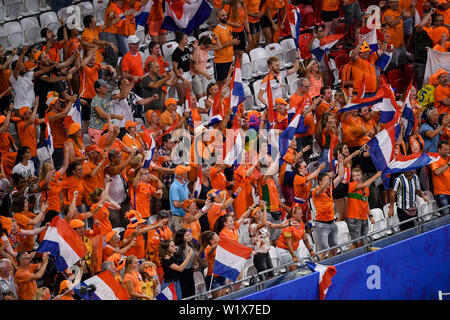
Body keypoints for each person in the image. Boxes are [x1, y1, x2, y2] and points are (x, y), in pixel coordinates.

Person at [312, 156, 344, 261]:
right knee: (323, 250)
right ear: (320, 181)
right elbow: (321, 188)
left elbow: (340, 176)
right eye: (325, 180)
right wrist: (328, 177)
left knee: (334, 248)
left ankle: (331, 264)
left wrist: (340, 162)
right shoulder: (316, 191)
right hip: (322, 224)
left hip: (332, 221)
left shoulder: (329, 189)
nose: (328, 181)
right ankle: (318, 269)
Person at [347, 169, 382, 250]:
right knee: (356, 243)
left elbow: (366, 202)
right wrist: (376, 176)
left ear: (362, 176)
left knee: (364, 241)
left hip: (364, 218)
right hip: (354, 218)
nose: (356, 177)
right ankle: (351, 259)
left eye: (358, 175)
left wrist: (370, 216)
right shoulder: (352, 185)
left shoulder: (366, 188)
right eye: (354, 176)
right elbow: (364, 184)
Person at [211, 10, 240, 86]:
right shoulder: (216, 31)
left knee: (229, 82)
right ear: (217, 18)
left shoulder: (229, 27)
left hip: (230, 59)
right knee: (220, 84)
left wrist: (234, 42)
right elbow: (215, 47)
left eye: (226, 15)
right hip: (220, 61)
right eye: (222, 15)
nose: (225, 17)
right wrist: (230, 43)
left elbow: (229, 43)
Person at [169, 165, 192, 232]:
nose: (187, 173)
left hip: (185, 215)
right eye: (186, 172)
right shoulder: (174, 187)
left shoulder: (184, 184)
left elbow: (189, 196)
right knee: (180, 237)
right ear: (183, 174)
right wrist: (186, 202)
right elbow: (176, 204)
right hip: (178, 217)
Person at [430, 141, 450, 215]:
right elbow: (437, 172)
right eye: (445, 150)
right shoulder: (435, 159)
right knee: (446, 217)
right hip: (442, 193)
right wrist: (448, 164)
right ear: (439, 149)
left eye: (448, 149)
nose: (447, 151)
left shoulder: (449, 158)